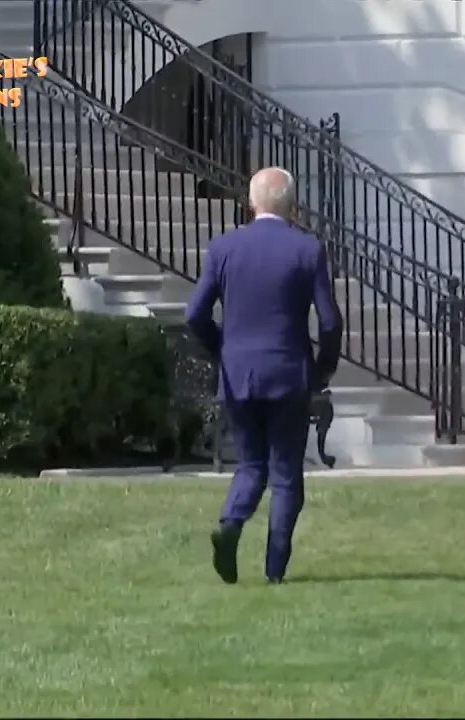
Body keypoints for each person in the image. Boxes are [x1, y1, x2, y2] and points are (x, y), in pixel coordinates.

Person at [185, 166, 343, 585]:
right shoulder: (307, 250)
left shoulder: (223, 248)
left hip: (240, 374)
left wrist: (221, 347)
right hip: (289, 373)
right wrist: (324, 365)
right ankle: (274, 571)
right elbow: (329, 320)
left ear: (251, 202)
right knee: (287, 471)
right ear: (291, 206)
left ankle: (231, 523)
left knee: (251, 465)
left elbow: (194, 313)